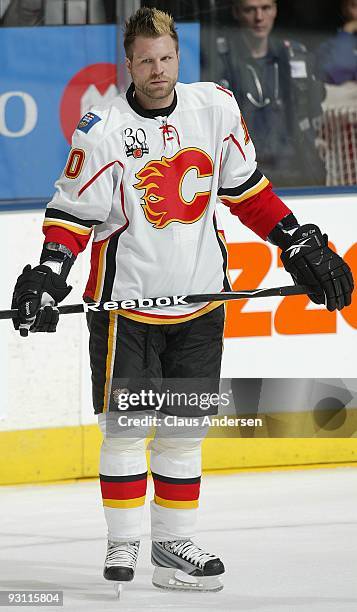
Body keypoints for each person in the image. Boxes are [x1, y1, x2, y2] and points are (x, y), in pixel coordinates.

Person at [11, 7, 353, 593]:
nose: (158, 69)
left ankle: (173, 548)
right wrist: (49, 272)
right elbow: (72, 214)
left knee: (183, 429)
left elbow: (246, 191)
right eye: (146, 60)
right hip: (126, 307)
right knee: (124, 428)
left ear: (177, 56)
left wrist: (295, 241)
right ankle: (122, 545)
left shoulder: (214, 108)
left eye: (166, 57)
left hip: (199, 303)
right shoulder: (102, 130)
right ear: (129, 63)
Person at [216, 0, 327, 187]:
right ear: (236, 12)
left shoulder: (295, 56)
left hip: (296, 170)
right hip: (246, 174)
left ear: (275, 10)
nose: (259, 17)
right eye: (250, 10)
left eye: (266, 8)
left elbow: (313, 109)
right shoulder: (222, 61)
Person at [317, 0, 357, 84]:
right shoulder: (330, 44)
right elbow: (338, 75)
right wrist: (346, 33)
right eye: (354, 6)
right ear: (345, 11)